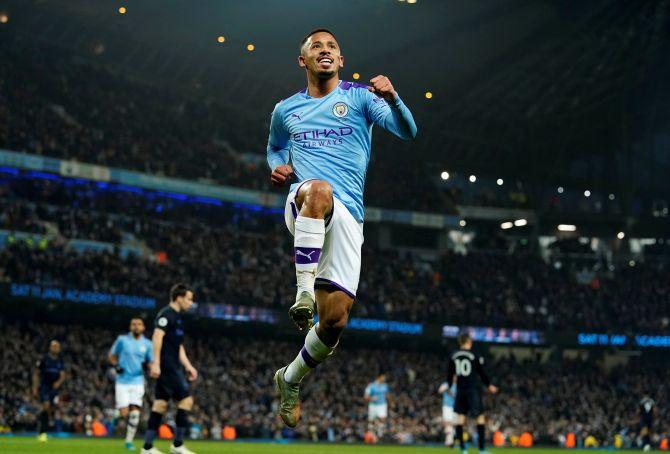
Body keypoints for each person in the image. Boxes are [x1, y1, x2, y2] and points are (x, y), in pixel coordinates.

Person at [267, 27, 417, 428]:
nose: (325, 50)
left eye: (332, 46)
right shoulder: (286, 109)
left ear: (342, 60)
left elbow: (408, 130)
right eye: (316, 46)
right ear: (303, 61)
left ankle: (290, 377)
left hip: (350, 216)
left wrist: (394, 98)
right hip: (306, 202)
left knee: (335, 322)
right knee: (319, 189)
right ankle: (302, 294)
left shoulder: (360, 97)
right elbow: (275, 147)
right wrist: (277, 167)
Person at [141, 284, 198, 454]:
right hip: (167, 365)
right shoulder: (166, 314)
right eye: (189, 299)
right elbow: (157, 336)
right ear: (179, 298)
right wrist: (156, 363)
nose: (191, 302)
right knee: (186, 400)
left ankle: (148, 447)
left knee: (160, 404)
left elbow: (178, 345)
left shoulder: (178, 318)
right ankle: (178, 445)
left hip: (173, 364)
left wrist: (188, 366)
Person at [447, 333, 498, 454]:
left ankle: (463, 449)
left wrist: (449, 386)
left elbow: (449, 374)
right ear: (468, 342)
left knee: (460, 418)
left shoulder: (454, 356)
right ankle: (481, 449)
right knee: (480, 417)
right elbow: (481, 372)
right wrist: (489, 385)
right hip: (472, 389)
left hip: (460, 390)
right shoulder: (474, 355)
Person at [109, 318, 154, 451]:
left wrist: (152, 368)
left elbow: (151, 360)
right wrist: (116, 365)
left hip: (138, 381)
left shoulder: (147, 344)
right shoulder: (122, 340)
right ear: (130, 327)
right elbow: (112, 355)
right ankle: (118, 415)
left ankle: (129, 441)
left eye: (139, 324)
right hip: (122, 381)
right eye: (134, 324)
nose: (136, 326)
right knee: (124, 413)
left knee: (135, 412)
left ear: (143, 327)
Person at [32, 340, 65, 442]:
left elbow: (63, 375)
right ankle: (42, 432)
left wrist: (58, 383)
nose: (55, 348)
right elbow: (36, 373)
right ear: (50, 348)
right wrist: (34, 387)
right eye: (53, 346)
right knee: (46, 405)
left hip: (54, 389)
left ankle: (42, 429)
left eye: (57, 347)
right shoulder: (44, 359)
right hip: (44, 386)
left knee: (49, 409)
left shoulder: (60, 360)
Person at [438, 380, 457, 446]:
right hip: (447, 406)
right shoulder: (447, 383)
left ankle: (450, 440)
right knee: (447, 422)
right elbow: (440, 390)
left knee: (453, 424)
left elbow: (457, 396)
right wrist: (446, 388)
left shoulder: (460, 385)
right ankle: (449, 441)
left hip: (455, 407)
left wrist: (451, 393)